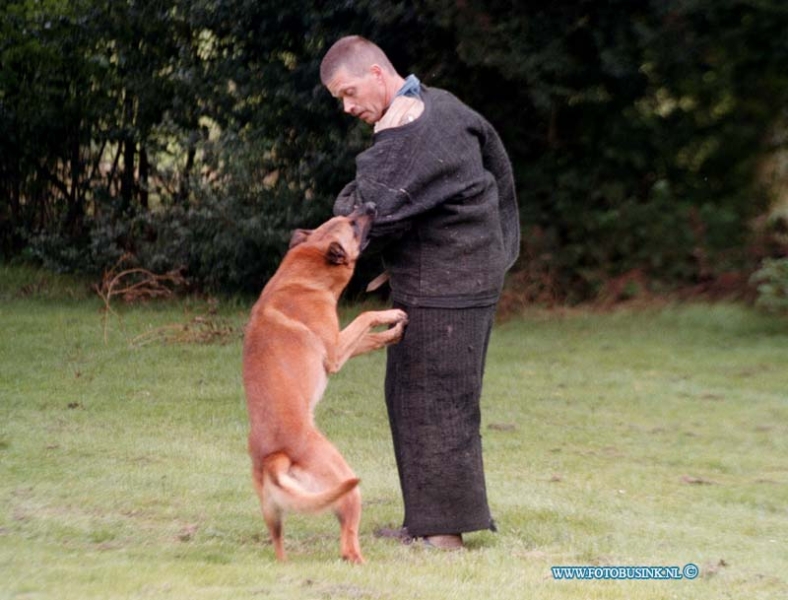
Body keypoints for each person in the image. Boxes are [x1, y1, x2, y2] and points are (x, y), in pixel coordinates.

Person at [320, 35, 520, 550]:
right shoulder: (435, 104)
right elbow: (496, 161)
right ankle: (426, 522)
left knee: (437, 403)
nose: (346, 107)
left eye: (348, 92)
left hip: (450, 284)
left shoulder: (414, 126)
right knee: (412, 397)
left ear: (377, 75)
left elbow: (366, 212)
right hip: (454, 277)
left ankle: (445, 540)